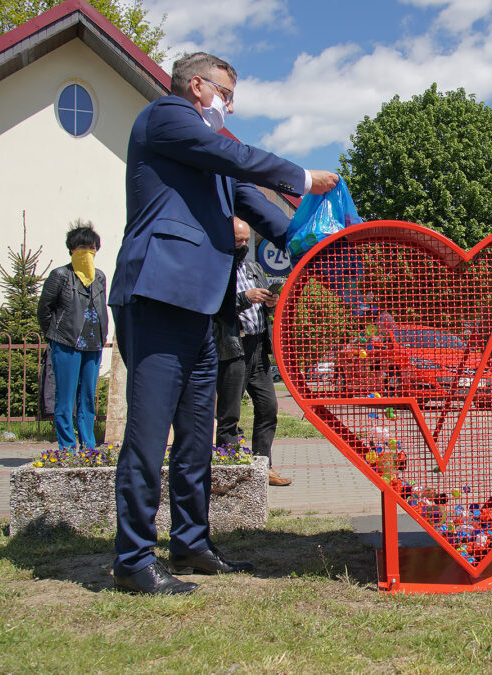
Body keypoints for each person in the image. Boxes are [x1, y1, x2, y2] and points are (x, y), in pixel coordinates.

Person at [108, 52, 339, 595]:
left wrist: (318, 251)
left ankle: (190, 543)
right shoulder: (166, 117)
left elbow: (260, 210)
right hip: (159, 294)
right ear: (197, 86)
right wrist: (303, 178)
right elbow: (231, 152)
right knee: (148, 433)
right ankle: (133, 558)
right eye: (226, 95)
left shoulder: (211, 161)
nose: (229, 106)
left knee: (197, 433)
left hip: (204, 309)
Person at [215, 218, 289, 487]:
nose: (244, 245)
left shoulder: (254, 268)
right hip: (232, 347)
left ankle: (263, 466)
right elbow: (214, 307)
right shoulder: (216, 268)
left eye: (247, 240)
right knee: (229, 415)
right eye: (238, 240)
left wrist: (271, 302)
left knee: (269, 407)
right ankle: (229, 470)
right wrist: (245, 297)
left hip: (258, 347)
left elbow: (266, 309)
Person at [37, 222, 108, 451]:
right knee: (65, 398)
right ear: (71, 249)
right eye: (81, 247)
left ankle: (88, 446)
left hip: (93, 343)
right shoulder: (60, 275)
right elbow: (44, 309)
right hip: (66, 343)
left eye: (91, 247)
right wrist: (56, 334)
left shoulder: (99, 277)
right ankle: (67, 447)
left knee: (87, 398)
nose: (87, 252)